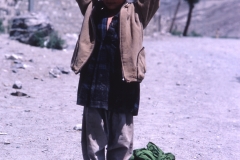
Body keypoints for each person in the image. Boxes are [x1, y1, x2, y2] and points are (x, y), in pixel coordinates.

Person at [71, 0, 159, 159]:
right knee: (93, 142)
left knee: (122, 141)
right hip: (93, 84)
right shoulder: (92, 9)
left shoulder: (136, 13)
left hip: (124, 87)